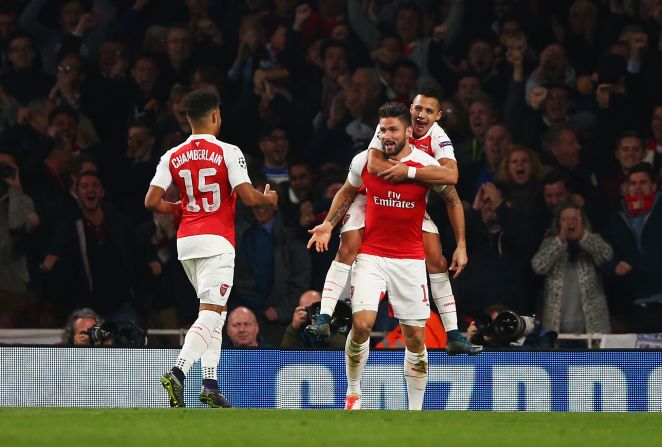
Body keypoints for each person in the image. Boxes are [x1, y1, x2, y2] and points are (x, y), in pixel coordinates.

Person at [307, 89, 481, 356]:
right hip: (372, 197)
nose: (421, 114)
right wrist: (330, 224)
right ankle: (324, 317)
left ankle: (454, 333)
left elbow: (452, 179)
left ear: (438, 116)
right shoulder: (388, 127)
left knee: (437, 258)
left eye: (428, 111)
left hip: (408, 202)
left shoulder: (438, 140)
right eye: (417, 108)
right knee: (349, 244)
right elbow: (375, 168)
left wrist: (461, 244)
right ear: (410, 110)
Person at [308, 102, 449, 411]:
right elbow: (347, 191)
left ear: (409, 132)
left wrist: (461, 243)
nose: (386, 135)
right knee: (362, 324)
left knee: (415, 338)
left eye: (393, 129)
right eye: (382, 129)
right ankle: (354, 392)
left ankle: (415, 411)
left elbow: (451, 196)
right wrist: (328, 225)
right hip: (371, 254)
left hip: (410, 259)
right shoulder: (364, 161)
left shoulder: (425, 165)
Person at [144, 90, 277, 408]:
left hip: (186, 242)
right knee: (211, 313)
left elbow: (150, 201)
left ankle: (210, 383)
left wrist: (178, 207)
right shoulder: (229, 151)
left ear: (188, 119)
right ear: (216, 116)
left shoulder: (172, 155)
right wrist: (268, 199)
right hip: (217, 241)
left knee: (216, 313)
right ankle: (178, 372)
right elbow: (248, 197)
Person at [531, 201, 612, 336]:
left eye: (574, 218)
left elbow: (607, 255)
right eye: (565, 219)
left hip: (592, 329)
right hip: (557, 329)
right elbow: (538, 266)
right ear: (558, 223)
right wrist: (560, 240)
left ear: (582, 221)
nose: (570, 223)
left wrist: (584, 237)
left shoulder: (592, 241)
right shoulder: (550, 243)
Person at [603, 163, 662, 333]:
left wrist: (634, 263)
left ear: (654, 186)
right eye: (633, 183)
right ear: (626, 188)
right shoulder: (617, 218)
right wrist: (615, 265)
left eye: (643, 182)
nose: (638, 188)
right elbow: (605, 251)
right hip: (638, 305)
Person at [281, 290, 347, 348]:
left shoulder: (336, 323)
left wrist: (325, 328)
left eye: (316, 308)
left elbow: (342, 353)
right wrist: (293, 328)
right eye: (307, 309)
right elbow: (285, 356)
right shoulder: (299, 328)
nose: (312, 313)